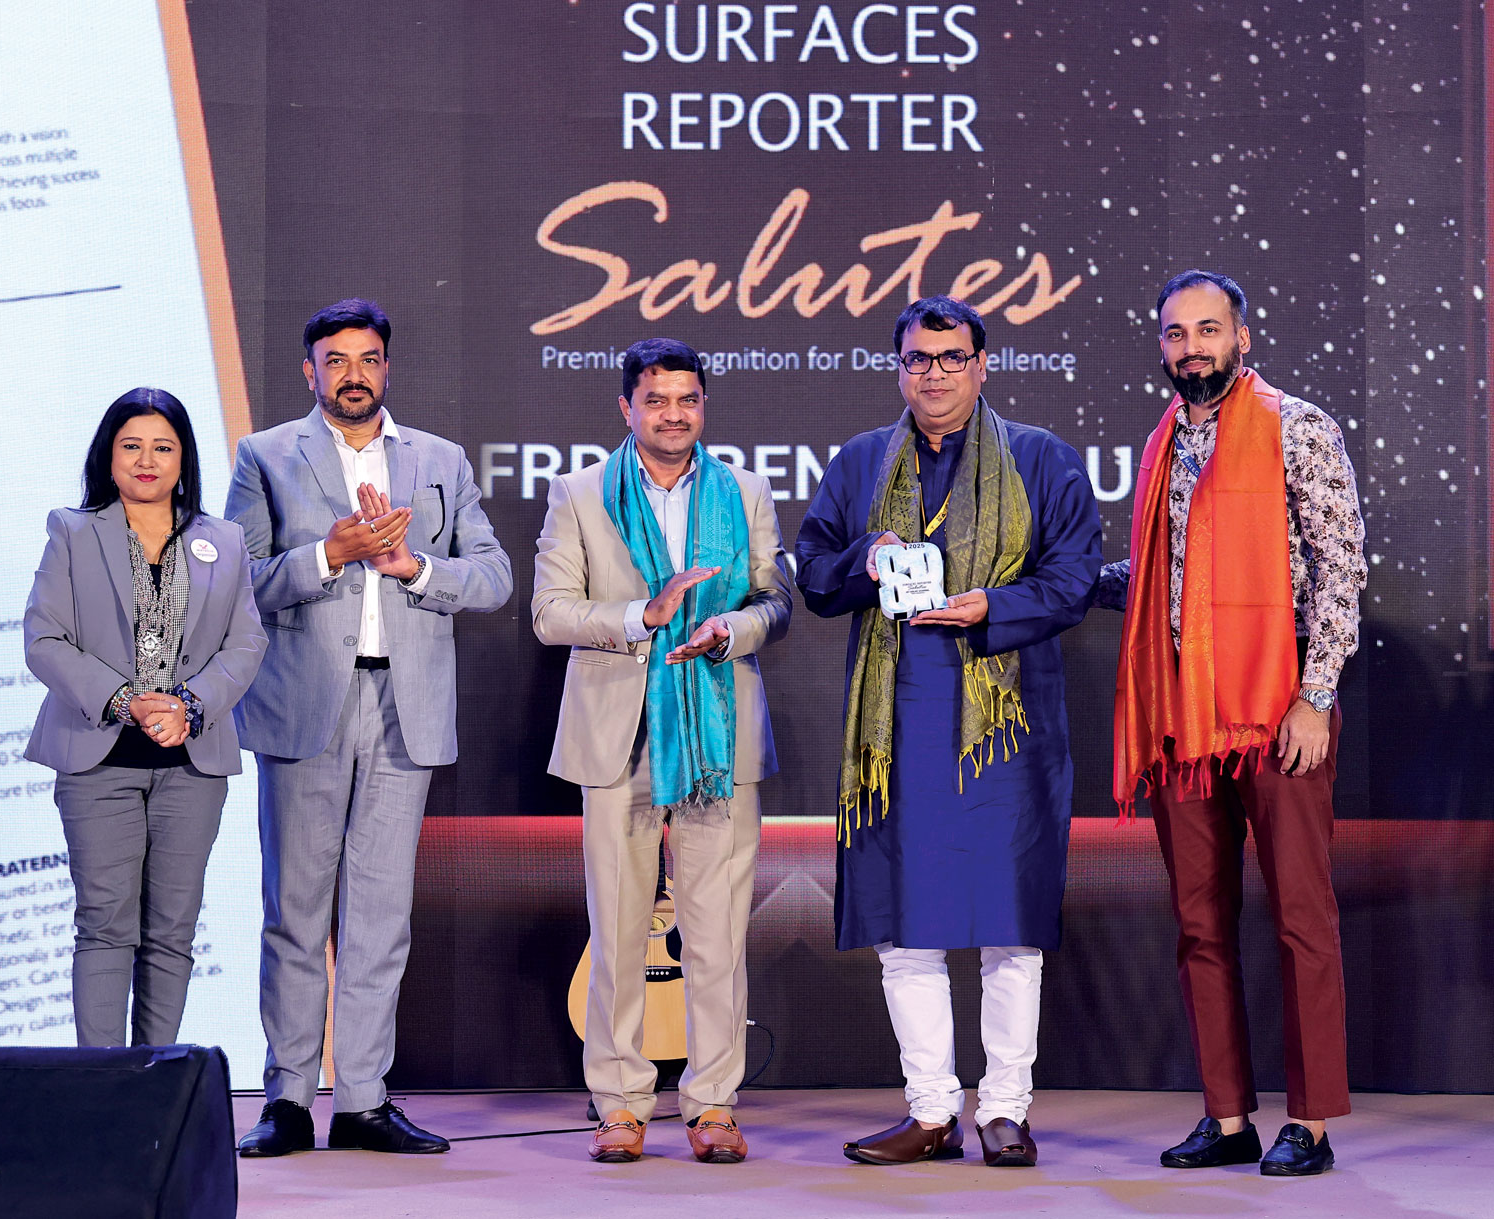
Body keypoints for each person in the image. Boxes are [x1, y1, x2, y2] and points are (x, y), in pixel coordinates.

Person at [796, 296, 1101, 1167]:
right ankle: (931, 1110)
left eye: (951, 357)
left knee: (1010, 925)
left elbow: (1074, 579)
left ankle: (1005, 1109)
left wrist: (991, 605)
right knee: (907, 925)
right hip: (895, 729)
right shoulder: (862, 462)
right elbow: (812, 573)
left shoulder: (1041, 459)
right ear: (898, 367)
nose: (934, 373)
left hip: (1006, 729)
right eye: (918, 358)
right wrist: (862, 558)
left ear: (981, 364)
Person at [227, 298, 512, 1156]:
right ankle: (286, 1098)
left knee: (382, 915)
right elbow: (236, 580)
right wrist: (333, 554)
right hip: (304, 703)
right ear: (309, 371)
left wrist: (412, 565)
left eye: (369, 359)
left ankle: (361, 1099)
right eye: (337, 360)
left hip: (405, 706)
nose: (354, 374)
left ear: (387, 367)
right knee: (295, 911)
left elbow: (494, 577)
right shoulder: (265, 455)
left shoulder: (439, 458)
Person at [1099, 269, 1367, 1176]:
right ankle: (1227, 1115)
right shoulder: (1162, 442)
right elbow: (1165, 580)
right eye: (1176, 334)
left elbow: (1340, 570)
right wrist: (1056, 583)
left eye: (1208, 330)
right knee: (1199, 923)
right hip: (1183, 714)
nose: (1192, 348)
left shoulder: (1298, 426)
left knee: (1302, 917)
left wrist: (1316, 696)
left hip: (1278, 708)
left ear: (1242, 337)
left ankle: (1311, 1123)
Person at [533, 337, 791, 1164]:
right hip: (621, 734)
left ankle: (712, 1103)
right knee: (617, 930)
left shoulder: (744, 491)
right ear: (627, 407)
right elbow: (549, 612)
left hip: (717, 733)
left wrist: (730, 629)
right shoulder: (581, 493)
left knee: (717, 933)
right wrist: (640, 617)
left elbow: (774, 599)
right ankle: (619, 1102)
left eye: (687, 399)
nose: (673, 414)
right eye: (656, 400)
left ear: (703, 405)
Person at [24, 388, 266, 1048]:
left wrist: (190, 705)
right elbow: (44, 640)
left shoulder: (223, 539)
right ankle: (103, 1088)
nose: (147, 460)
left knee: (172, 931)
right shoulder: (73, 531)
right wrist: (124, 700)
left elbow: (247, 642)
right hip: (97, 758)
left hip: (192, 764)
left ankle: (152, 1083)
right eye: (131, 446)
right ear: (108, 455)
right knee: (105, 924)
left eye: (163, 447)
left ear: (184, 459)